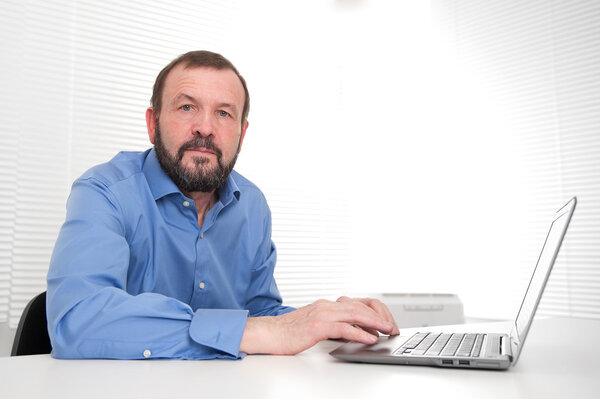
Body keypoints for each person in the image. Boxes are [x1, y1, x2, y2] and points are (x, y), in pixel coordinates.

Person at [46, 50, 399, 360]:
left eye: (224, 114)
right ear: (153, 124)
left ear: (242, 135)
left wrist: (325, 321)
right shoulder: (104, 191)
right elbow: (77, 320)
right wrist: (257, 333)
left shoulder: (253, 205)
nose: (205, 128)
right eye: (187, 107)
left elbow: (261, 312)